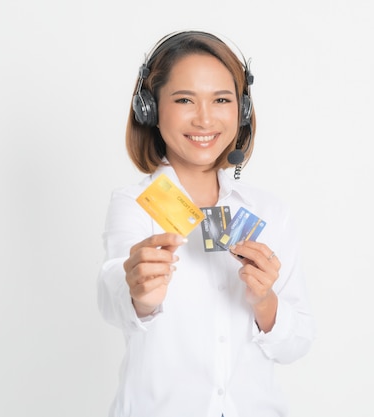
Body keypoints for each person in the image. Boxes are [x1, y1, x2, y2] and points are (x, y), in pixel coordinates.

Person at [97, 30, 315, 417]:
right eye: (184, 99)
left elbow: (295, 344)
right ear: (150, 109)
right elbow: (113, 294)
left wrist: (265, 301)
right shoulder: (133, 205)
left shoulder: (270, 212)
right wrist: (139, 295)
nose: (204, 118)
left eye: (221, 100)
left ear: (242, 111)